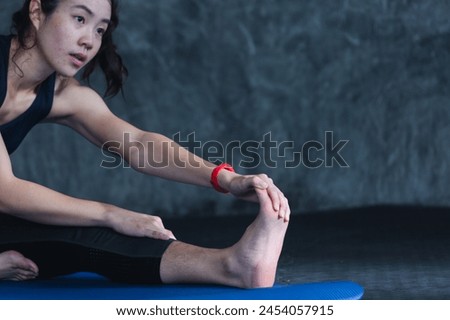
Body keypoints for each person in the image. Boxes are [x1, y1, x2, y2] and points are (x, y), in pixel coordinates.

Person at [0, 0, 290, 288]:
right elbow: (6, 192)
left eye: (100, 30)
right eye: (79, 19)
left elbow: (138, 145)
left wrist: (226, 178)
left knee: (84, 233)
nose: (89, 40)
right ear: (37, 12)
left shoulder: (64, 94)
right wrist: (112, 215)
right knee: (102, 222)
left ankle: (235, 265)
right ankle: (228, 268)